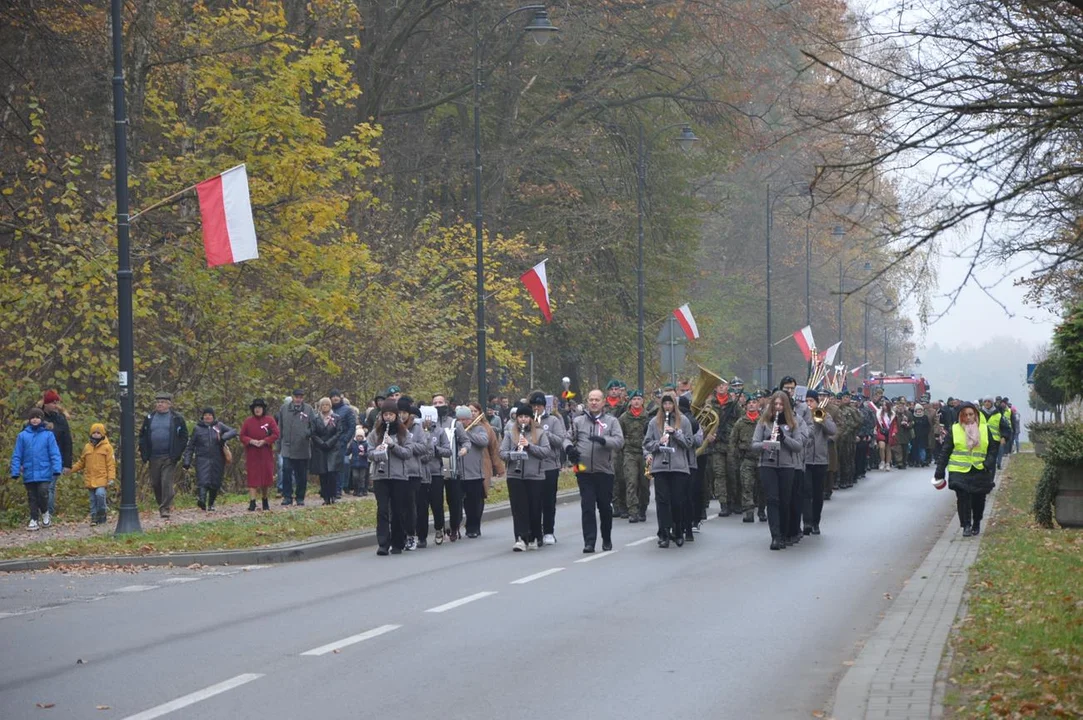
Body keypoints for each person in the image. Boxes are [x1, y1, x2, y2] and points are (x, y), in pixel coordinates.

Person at [564, 388, 625, 553]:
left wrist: (604, 440)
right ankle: (589, 541)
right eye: (591, 399)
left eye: (597, 399)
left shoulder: (611, 421)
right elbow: (568, 438)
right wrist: (569, 449)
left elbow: (619, 441)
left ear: (603, 402)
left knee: (605, 507)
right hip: (584, 471)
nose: (593, 402)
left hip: (604, 471)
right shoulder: (578, 421)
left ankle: (606, 537)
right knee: (587, 506)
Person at [752, 391, 806, 551]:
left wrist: (784, 438)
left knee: (784, 501)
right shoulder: (764, 422)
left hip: (787, 466)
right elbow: (754, 444)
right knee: (772, 500)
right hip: (767, 465)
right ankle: (775, 537)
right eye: (775, 404)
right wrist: (768, 444)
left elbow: (798, 446)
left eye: (781, 405)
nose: (778, 407)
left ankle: (784, 534)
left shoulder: (793, 423)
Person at [935, 402, 997, 536]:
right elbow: (945, 451)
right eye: (965, 415)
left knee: (978, 499)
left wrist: (988, 463)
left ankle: (976, 523)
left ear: (976, 415)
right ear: (960, 416)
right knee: (963, 498)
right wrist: (939, 472)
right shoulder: (955, 429)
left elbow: (993, 449)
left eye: (971, 414)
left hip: (980, 469)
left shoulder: (985, 429)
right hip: (959, 470)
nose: (968, 417)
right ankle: (966, 525)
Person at [500, 404, 554, 551]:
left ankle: (535, 536)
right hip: (515, 475)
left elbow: (546, 452)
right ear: (516, 418)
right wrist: (514, 453)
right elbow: (502, 452)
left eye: (526, 417)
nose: (523, 420)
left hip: (535, 476)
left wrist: (529, 446)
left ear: (530, 418)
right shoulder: (510, 433)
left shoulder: (540, 432)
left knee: (534, 507)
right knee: (518, 508)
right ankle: (520, 538)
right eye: (520, 417)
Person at [643, 392, 693, 548]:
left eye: (670, 403)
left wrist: (675, 433)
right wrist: (659, 443)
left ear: (674, 405)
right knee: (662, 501)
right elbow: (647, 443)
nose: (667, 406)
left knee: (677, 501)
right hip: (660, 467)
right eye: (664, 404)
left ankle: (678, 531)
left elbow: (689, 443)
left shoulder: (683, 421)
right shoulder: (654, 422)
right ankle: (663, 533)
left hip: (679, 467)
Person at [368, 399, 415, 555]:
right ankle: (383, 543)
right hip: (380, 476)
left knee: (397, 510)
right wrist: (378, 451)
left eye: (391, 414)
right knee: (382, 510)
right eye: (385, 414)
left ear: (396, 416)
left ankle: (397, 542)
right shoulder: (375, 433)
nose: (388, 417)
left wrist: (393, 445)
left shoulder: (404, 433)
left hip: (399, 476)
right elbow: (368, 453)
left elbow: (408, 453)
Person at [10, 408, 62, 530]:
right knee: (32, 496)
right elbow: (17, 454)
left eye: (37, 417)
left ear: (41, 419)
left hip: (44, 471)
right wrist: (15, 470)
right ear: (29, 419)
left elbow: (54, 453)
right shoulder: (22, 436)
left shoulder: (48, 435)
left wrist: (56, 468)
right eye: (32, 417)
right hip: (29, 472)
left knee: (43, 493)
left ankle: (45, 513)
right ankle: (34, 519)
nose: (35, 420)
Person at [138, 392, 188, 519]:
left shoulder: (177, 418)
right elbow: (142, 436)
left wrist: (177, 453)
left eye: (162, 402)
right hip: (153, 456)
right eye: (158, 402)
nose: (159, 404)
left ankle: (165, 508)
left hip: (169, 456)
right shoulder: (149, 418)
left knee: (166, 481)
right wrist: (144, 453)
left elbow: (183, 437)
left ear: (169, 404)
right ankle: (162, 503)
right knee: (156, 483)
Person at [530, 391, 567, 544]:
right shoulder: (526, 419)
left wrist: (543, 432)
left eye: (539, 406)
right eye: (534, 406)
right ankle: (535, 531)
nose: (536, 409)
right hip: (532, 466)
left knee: (548, 500)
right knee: (534, 501)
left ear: (544, 406)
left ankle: (549, 531)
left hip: (549, 465)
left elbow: (560, 441)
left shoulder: (553, 420)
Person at [182, 408, 237, 511]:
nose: (207, 417)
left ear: (213, 416)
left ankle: (211, 503)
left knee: (215, 482)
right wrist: (187, 461)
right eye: (205, 415)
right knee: (203, 480)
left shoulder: (219, 426)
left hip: (218, 458)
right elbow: (190, 446)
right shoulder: (197, 429)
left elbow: (234, 431)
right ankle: (202, 500)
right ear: (202, 417)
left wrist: (224, 437)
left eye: (210, 415)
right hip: (202, 458)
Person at [461, 402, 500, 539]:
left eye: (474, 411)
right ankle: (468, 525)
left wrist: (499, 467)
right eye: (469, 411)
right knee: (466, 500)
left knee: (477, 497)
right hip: (462, 468)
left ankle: (474, 526)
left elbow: (491, 446)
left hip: (481, 466)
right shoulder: (458, 427)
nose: (471, 414)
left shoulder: (483, 428)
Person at [704, 378, 740, 517]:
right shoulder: (709, 404)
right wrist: (708, 435)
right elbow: (704, 422)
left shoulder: (734, 404)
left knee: (732, 473)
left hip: (731, 443)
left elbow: (741, 421)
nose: (720, 387)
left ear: (727, 387)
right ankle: (723, 504)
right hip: (716, 444)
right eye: (718, 385)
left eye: (723, 385)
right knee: (719, 474)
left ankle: (733, 501)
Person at [419, 395, 452, 546]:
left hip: (436, 472)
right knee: (421, 505)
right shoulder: (418, 430)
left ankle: (439, 528)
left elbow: (448, 451)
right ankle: (422, 535)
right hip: (421, 473)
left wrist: (435, 449)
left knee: (437, 504)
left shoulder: (439, 432)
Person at [802, 390, 836, 536]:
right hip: (805, 459)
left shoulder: (822, 414)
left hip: (820, 460)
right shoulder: (801, 416)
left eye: (812, 401)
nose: (809, 404)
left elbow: (832, 430)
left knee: (817, 493)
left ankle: (816, 522)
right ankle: (807, 522)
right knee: (806, 491)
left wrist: (821, 417)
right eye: (807, 401)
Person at [71, 422, 116, 525]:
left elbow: (111, 464)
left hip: (102, 478)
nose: (96, 435)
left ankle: (102, 512)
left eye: (98, 433)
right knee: (92, 500)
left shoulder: (107, 447)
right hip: (90, 478)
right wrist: (71, 469)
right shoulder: (87, 447)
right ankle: (94, 517)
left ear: (103, 434)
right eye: (94, 432)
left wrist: (111, 478)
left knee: (100, 495)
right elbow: (82, 462)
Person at [240, 399, 280, 511]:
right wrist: (251, 441)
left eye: (259, 407)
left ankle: (265, 499)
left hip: (265, 452)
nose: (257, 409)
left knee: (266, 477)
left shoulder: (270, 420)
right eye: (255, 408)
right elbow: (242, 436)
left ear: (263, 409)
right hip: (252, 453)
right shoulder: (248, 421)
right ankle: (252, 501)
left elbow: (276, 433)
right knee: (253, 477)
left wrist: (265, 441)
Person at [728, 393, 762, 523]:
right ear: (746, 406)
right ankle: (748, 511)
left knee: (762, 486)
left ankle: (761, 510)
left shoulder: (763, 421)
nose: (752, 404)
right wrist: (733, 458)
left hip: (761, 458)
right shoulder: (740, 423)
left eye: (754, 402)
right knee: (746, 485)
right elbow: (733, 441)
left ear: (758, 405)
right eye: (749, 403)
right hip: (746, 458)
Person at [276, 390, 313, 506]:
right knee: (286, 471)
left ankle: (300, 497)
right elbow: (280, 427)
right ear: (292, 397)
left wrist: (306, 433)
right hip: (287, 446)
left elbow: (314, 426)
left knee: (301, 474)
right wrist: (278, 445)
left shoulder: (308, 409)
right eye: (296, 397)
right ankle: (287, 496)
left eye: (300, 397)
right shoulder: (284, 409)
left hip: (302, 447)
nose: (298, 399)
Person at [619, 390, 651, 524]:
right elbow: (619, 436)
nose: (636, 401)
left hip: (645, 453)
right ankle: (633, 510)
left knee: (644, 483)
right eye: (634, 399)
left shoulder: (648, 417)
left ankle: (643, 508)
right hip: (630, 453)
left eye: (639, 399)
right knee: (631, 481)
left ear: (643, 401)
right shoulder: (624, 418)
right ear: (630, 401)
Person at [40, 390, 72, 515]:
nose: (55, 405)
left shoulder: (60, 419)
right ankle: (40, 513)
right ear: (46, 403)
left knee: (50, 487)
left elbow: (67, 441)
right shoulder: (38, 417)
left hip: (55, 458)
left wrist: (67, 463)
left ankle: (48, 514)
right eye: (53, 403)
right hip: (39, 458)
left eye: (56, 403)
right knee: (39, 488)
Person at [309, 397, 343, 506]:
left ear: (330, 406)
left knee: (332, 473)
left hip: (333, 448)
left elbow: (339, 432)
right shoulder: (315, 418)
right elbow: (313, 433)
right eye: (323, 405)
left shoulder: (336, 418)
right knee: (323, 474)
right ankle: (325, 497)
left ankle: (332, 495)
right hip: (320, 448)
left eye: (327, 405)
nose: (325, 407)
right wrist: (321, 443)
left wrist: (329, 443)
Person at [603, 380, 629, 519]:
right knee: (611, 476)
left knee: (622, 476)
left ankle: (624, 505)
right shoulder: (602, 406)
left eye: (616, 389)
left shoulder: (625, 406)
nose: (614, 391)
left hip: (621, 444)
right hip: (605, 444)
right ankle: (615, 505)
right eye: (611, 389)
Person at [329, 390, 357, 500]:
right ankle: (329, 489)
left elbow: (352, 426)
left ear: (341, 397)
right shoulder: (328, 410)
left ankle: (338, 490)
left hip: (341, 442)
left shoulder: (347, 410)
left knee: (339, 465)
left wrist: (345, 440)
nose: (335, 398)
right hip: (329, 442)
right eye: (333, 396)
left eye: (337, 396)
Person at [347, 426, 370, 497]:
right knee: (355, 476)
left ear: (363, 437)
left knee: (362, 478)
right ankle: (355, 489)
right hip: (354, 463)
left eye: (361, 436)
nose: (359, 438)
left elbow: (369, 453)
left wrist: (364, 454)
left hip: (363, 464)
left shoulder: (366, 444)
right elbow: (348, 451)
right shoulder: (353, 443)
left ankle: (361, 490)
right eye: (358, 436)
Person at [875, 399, 897, 471]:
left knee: (888, 448)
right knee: (881, 447)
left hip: (889, 433)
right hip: (881, 431)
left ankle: (888, 463)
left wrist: (894, 432)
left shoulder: (892, 414)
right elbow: (877, 424)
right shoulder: (879, 414)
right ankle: (882, 461)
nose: (884, 406)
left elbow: (894, 425)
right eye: (883, 405)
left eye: (885, 405)